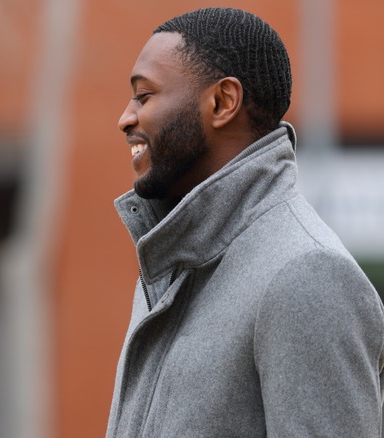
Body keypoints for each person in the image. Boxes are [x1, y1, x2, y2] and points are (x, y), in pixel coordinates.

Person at [107, 7, 384, 437]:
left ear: (222, 102)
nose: (125, 118)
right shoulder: (172, 268)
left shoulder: (306, 276)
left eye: (144, 96)